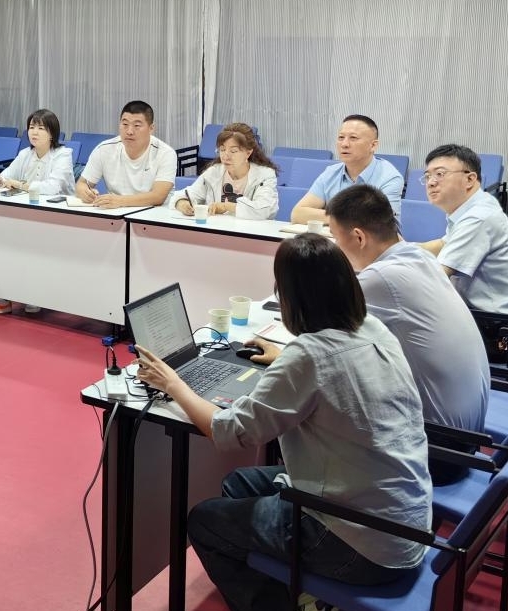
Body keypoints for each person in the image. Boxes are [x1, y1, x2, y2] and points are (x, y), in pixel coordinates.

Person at [135, 234, 430, 611]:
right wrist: (286, 359)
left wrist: (175, 385)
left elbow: (228, 431)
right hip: (404, 524)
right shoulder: (372, 328)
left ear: (291, 298)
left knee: (204, 522)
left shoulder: (308, 357)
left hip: (360, 546)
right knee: (238, 483)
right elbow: (329, 372)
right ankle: (296, 589)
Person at [327, 184, 489, 483]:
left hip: (436, 451)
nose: (335, 247)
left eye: (335, 238)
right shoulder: (419, 257)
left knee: (322, 404)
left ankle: (302, 495)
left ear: (359, 237)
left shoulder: (381, 278)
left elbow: (326, 342)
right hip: (468, 438)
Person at [417, 143, 508, 363]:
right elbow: (442, 244)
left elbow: (437, 275)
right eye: (427, 176)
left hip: (504, 332)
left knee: (403, 325)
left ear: (470, 179)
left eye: (440, 174)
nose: (431, 182)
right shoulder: (475, 206)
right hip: (496, 318)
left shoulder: (479, 218)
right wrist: (394, 248)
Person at [0, 108, 76, 317]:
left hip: (60, 220)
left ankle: (33, 293)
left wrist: (19, 184)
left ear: (52, 133)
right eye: (31, 127)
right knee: (1, 242)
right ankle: (2, 298)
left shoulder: (63, 155)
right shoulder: (25, 154)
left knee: (27, 245)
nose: (34, 132)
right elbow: (6, 176)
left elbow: (52, 188)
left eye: (41, 128)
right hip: (28, 215)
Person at [291, 114, 403, 224]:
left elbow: (380, 222)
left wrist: (329, 217)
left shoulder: (389, 177)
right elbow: (298, 214)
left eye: (353, 138)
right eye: (341, 137)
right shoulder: (331, 173)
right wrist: (346, 218)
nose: (344, 144)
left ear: (373, 145)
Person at [76, 100, 176, 209]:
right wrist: (85, 192)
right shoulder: (104, 149)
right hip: (116, 213)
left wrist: (119, 200)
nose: (129, 131)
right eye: (125, 124)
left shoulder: (165, 153)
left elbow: (158, 196)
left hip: (154, 214)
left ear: (151, 128)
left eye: (137, 125)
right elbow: (82, 184)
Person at [174, 123, 279, 220]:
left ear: (248, 153)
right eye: (222, 150)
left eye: (233, 151)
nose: (226, 156)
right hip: (218, 230)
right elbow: (182, 196)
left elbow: (265, 209)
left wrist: (226, 206)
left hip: (250, 231)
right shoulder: (214, 172)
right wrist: (182, 203)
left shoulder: (264, 175)